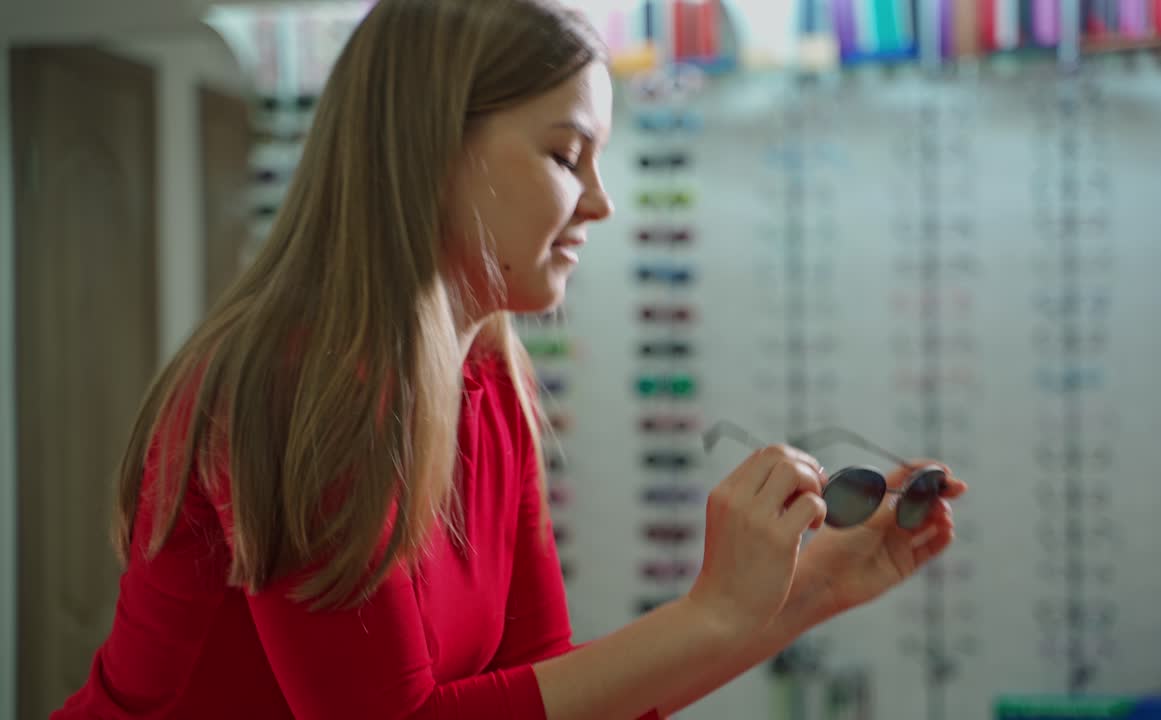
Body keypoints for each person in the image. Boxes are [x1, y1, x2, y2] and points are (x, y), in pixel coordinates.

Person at [53, 0, 968, 718]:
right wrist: (714, 614)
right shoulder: (300, 385)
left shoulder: (489, 385)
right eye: (569, 156)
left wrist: (804, 594)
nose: (600, 204)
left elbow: (546, 695)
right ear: (433, 148)